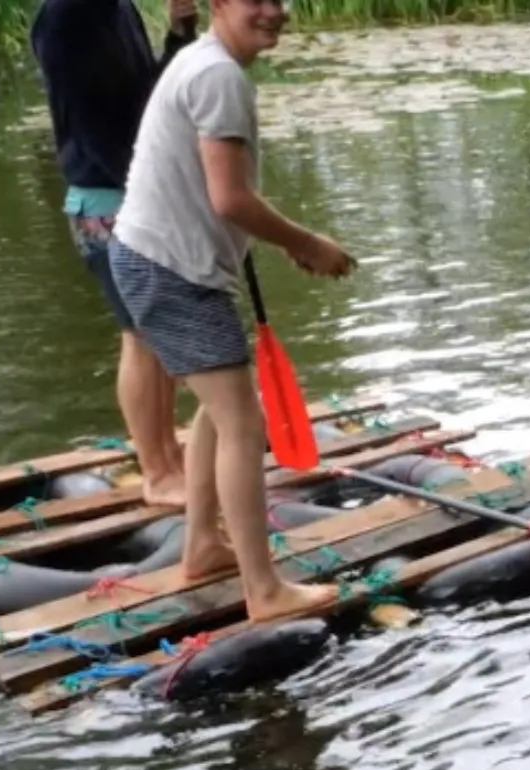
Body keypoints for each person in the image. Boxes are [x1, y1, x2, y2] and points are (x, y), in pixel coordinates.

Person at [109, 0, 354, 621]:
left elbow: (213, 194)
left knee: (219, 413)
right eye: (257, 1)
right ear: (218, 4)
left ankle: (201, 547)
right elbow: (230, 198)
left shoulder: (202, 60)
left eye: (280, 0)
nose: (275, 12)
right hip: (170, 269)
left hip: (157, 261)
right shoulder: (218, 75)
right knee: (244, 423)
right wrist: (308, 243)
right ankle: (264, 588)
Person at [31, 0, 199, 507]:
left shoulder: (115, 9)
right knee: (142, 335)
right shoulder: (67, 16)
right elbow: (93, 120)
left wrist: (178, 33)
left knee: (155, 331)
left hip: (136, 194)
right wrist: (146, 186)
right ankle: (157, 471)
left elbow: (150, 102)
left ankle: (168, 453)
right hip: (108, 201)